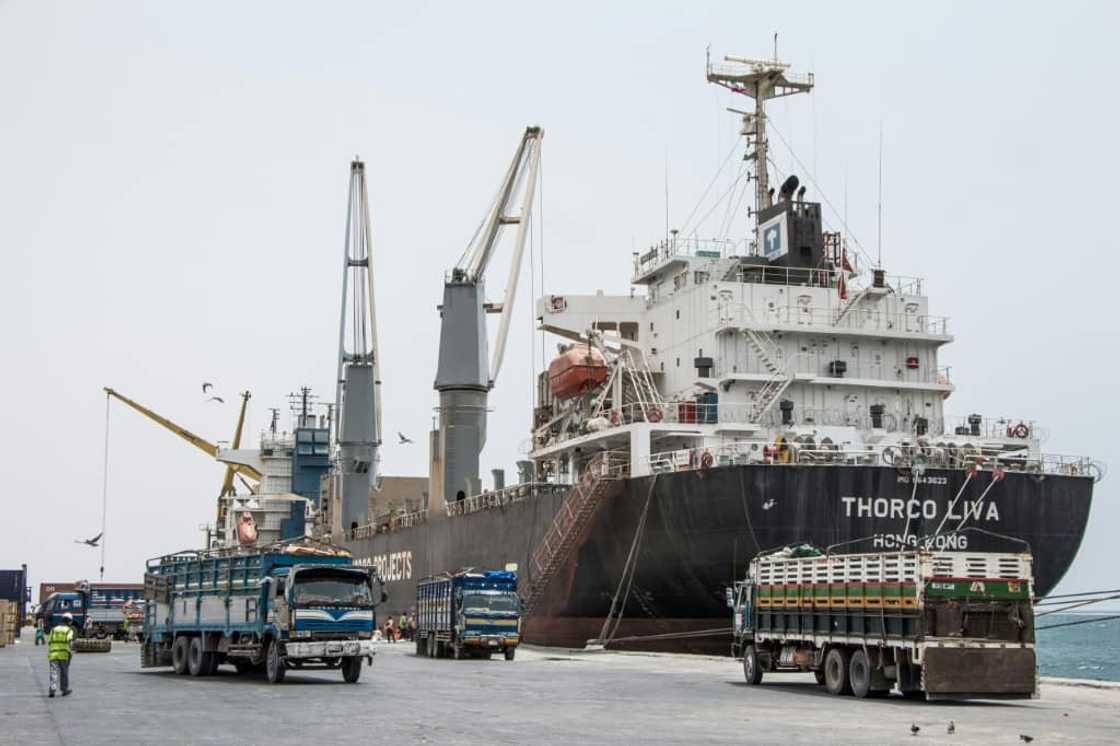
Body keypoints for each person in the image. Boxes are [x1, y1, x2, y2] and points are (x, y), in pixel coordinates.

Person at [47, 613, 75, 698]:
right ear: (69, 621)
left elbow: (49, 641)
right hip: (63, 654)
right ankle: (64, 689)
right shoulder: (68, 630)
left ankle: (52, 690)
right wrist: (71, 652)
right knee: (64, 673)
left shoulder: (54, 629)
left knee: (53, 672)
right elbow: (70, 641)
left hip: (53, 654)